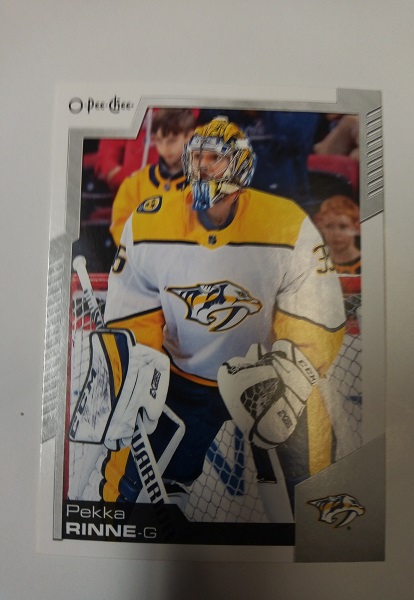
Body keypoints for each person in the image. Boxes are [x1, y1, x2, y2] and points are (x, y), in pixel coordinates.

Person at [97, 116, 346, 519]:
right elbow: (133, 311)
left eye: (215, 159)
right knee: (131, 495)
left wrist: (295, 372)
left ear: (241, 166)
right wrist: (137, 376)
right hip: (181, 381)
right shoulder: (149, 220)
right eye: (197, 158)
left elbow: (316, 307)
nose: (202, 168)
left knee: (313, 488)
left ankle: (316, 533)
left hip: (268, 377)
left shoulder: (286, 221)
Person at [109, 108, 196, 246]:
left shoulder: (204, 184)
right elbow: (120, 226)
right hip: (143, 256)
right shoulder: (135, 183)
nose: (165, 148)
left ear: (189, 137)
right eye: (159, 141)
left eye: (172, 141)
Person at [314, 194, 361, 274]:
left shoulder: (369, 262)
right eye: (329, 226)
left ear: (356, 227)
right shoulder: (315, 263)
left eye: (343, 227)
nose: (336, 234)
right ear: (321, 228)